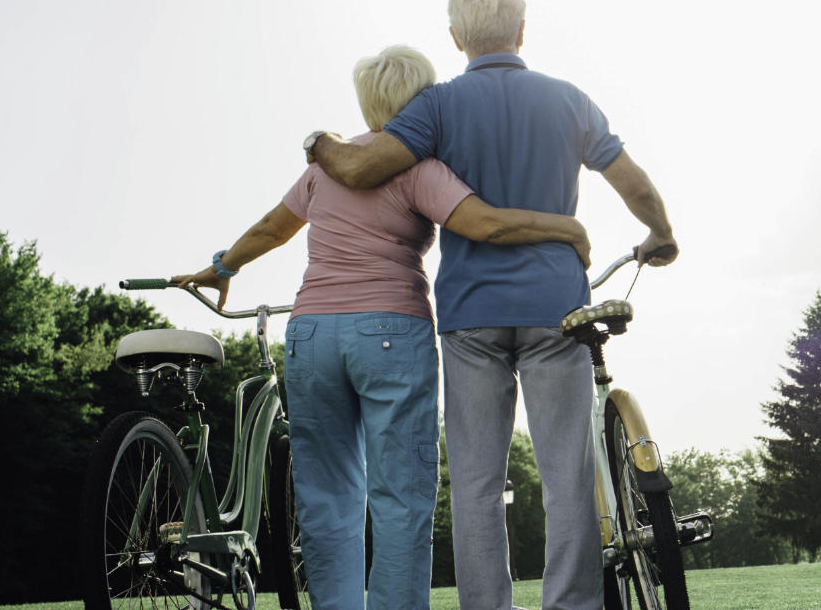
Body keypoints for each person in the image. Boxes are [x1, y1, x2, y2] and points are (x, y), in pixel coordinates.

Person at [172, 45, 592, 610]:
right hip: (391, 333)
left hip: (312, 335)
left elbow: (274, 228)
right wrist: (565, 228)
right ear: (421, 100)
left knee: (324, 499)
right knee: (400, 498)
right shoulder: (421, 168)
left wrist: (221, 267)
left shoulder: (323, 168)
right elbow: (486, 225)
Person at [305, 0, 677, 609]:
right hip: (556, 309)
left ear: (455, 38)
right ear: (522, 29)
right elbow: (630, 179)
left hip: (469, 317)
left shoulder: (439, 105)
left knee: (477, 484)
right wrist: (659, 233)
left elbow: (363, 168)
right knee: (567, 475)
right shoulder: (568, 99)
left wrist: (317, 141)